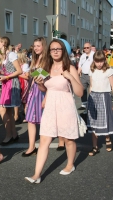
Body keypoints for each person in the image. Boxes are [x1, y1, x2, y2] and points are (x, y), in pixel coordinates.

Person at [25, 39, 83, 183]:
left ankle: (70, 164)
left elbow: (80, 92)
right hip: (50, 106)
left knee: (69, 139)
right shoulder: (45, 67)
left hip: (66, 105)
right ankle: (36, 175)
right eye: (52, 49)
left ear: (63, 51)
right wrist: (39, 84)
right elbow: (44, 89)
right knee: (44, 139)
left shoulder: (69, 67)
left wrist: (70, 77)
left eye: (58, 49)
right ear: (49, 52)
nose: (55, 51)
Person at [87, 50, 113, 156]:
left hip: (104, 96)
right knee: (93, 122)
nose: (99, 64)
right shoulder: (92, 70)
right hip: (93, 96)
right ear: (94, 61)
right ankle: (95, 147)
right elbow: (91, 86)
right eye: (97, 61)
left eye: (101, 61)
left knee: (105, 120)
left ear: (104, 60)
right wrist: (89, 98)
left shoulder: (108, 70)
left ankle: (108, 138)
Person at [0, 36, 22, 145]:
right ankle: (14, 134)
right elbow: (10, 69)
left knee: (2, 110)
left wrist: (6, 77)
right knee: (8, 112)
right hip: (7, 83)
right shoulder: (5, 55)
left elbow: (19, 71)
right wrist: (1, 72)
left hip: (11, 83)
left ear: (3, 43)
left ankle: (9, 135)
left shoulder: (11, 54)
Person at [22, 37, 47, 156]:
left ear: (43, 46)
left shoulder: (47, 59)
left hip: (44, 90)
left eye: (38, 46)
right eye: (35, 46)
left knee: (45, 119)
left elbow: (47, 75)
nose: (36, 48)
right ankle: (31, 146)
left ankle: (54, 142)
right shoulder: (34, 59)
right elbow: (33, 78)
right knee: (31, 119)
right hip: (34, 90)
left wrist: (34, 74)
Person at [77, 42, 95, 111]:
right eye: (84, 48)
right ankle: (84, 104)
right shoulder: (83, 56)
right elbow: (80, 66)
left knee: (92, 91)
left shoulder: (94, 55)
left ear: (90, 48)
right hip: (84, 75)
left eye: (87, 47)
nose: (86, 49)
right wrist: (77, 75)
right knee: (82, 90)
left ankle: (92, 104)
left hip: (91, 75)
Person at [15, 52, 30, 122]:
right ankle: (19, 115)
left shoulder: (25, 65)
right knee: (19, 100)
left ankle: (27, 116)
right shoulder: (18, 65)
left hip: (23, 83)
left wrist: (18, 75)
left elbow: (27, 76)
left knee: (24, 101)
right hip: (19, 83)